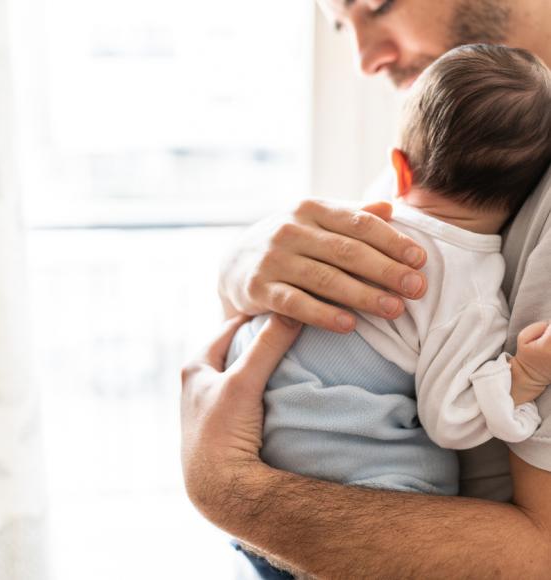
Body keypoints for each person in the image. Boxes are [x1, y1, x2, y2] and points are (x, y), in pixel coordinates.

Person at [181, 1, 551, 577]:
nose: (362, 58)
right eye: (339, 24)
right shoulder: (462, 150)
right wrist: (243, 263)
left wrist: (224, 487)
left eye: (376, 4)